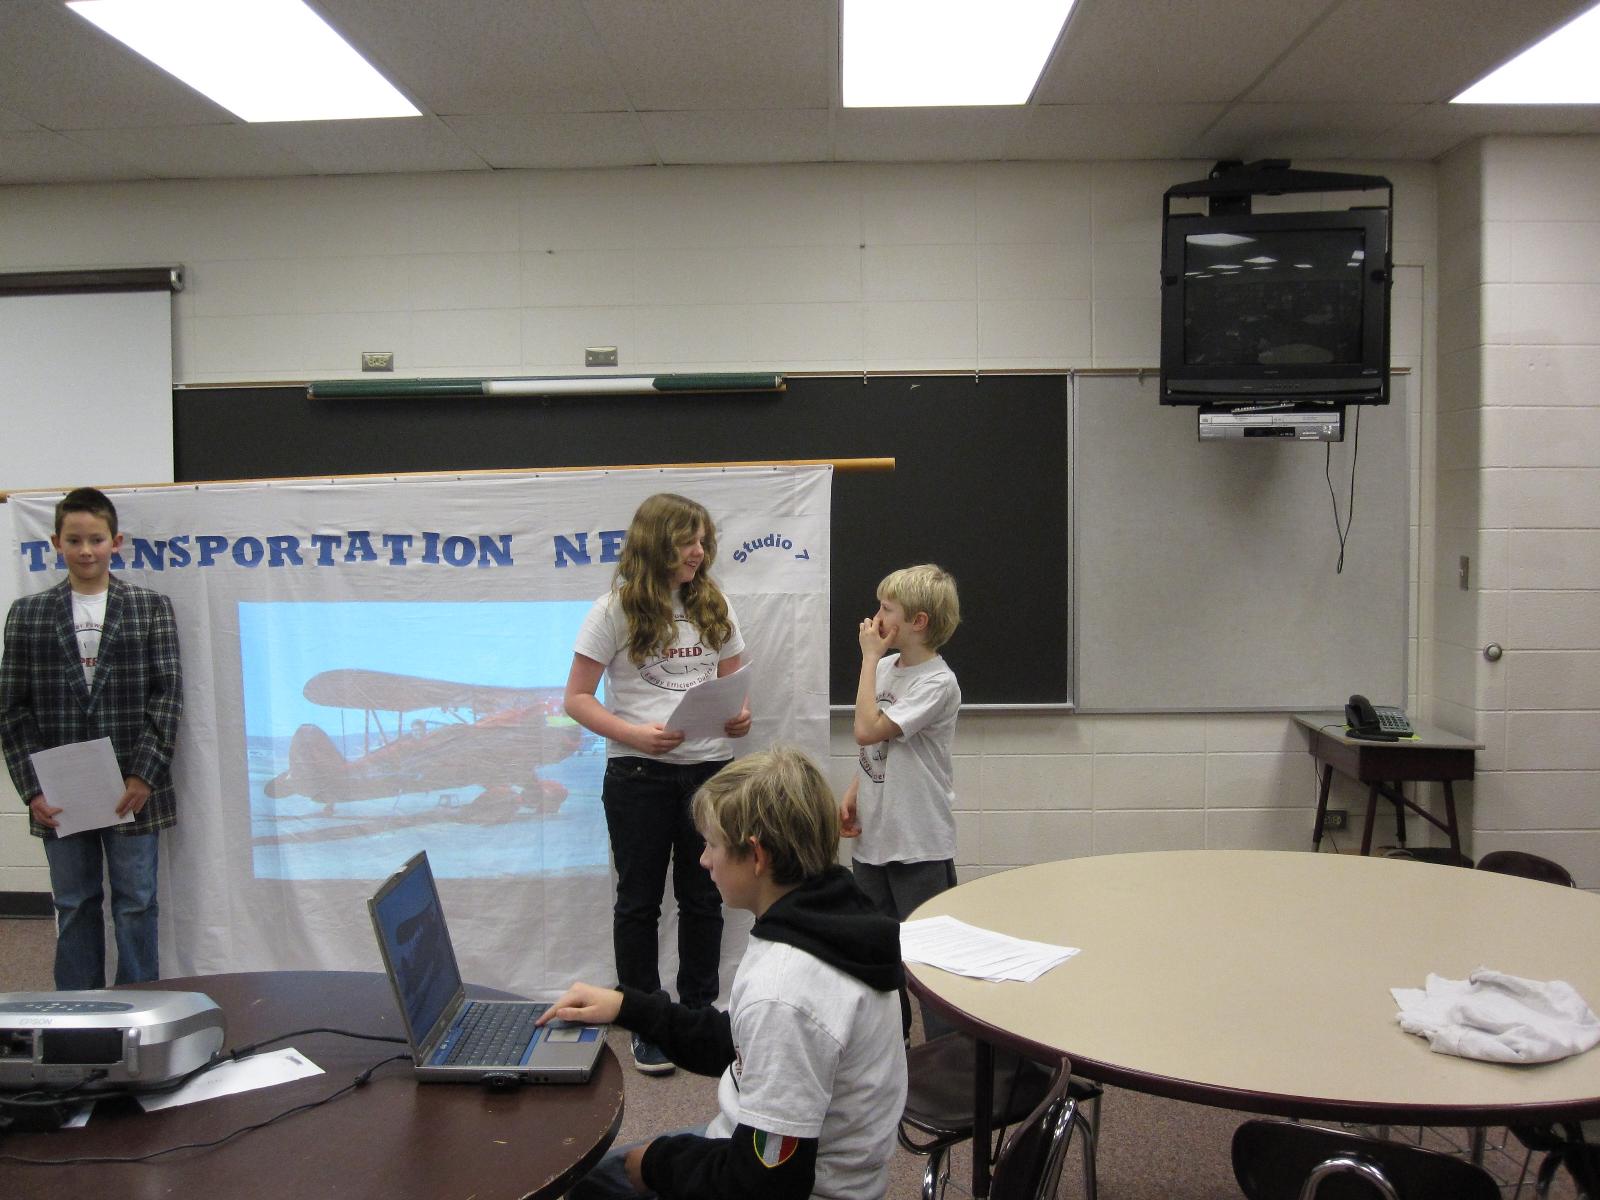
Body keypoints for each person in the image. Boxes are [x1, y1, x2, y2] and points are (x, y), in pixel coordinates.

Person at [537, 745, 907, 1200]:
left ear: (756, 855)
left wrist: (657, 1163)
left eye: (710, 844)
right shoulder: (827, 916)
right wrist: (627, 1006)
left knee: (591, 1183)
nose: (703, 860)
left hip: (797, 1186)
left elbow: (765, 1184)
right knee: (609, 1170)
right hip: (783, 1157)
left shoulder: (785, 992)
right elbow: (738, 1041)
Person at [564, 493, 751, 1075]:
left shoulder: (714, 602)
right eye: (687, 541)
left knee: (704, 898)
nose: (698, 551)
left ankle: (696, 1015)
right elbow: (575, 699)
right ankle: (644, 1018)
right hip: (638, 773)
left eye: (703, 540)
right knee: (639, 901)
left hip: (710, 772)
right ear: (656, 542)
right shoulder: (613, 610)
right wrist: (632, 734)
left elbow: (734, 683)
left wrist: (740, 717)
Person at [0, 487, 183, 990]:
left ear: (115, 542)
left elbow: (167, 696)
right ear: (56, 543)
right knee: (74, 902)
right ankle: (77, 1011)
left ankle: (139, 1003)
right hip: (60, 795)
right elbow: (11, 709)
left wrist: (144, 775)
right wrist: (32, 789)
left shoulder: (150, 608)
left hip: (133, 789)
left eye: (96, 540)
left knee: (136, 903)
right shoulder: (28, 613)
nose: (86, 550)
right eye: (74, 540)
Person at [839, 563, 961, 1037]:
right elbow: (876, 748)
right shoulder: (888, 668)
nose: (876, 618)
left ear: (918, 622)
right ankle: (890, 1047)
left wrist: (868, 660)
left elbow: (866, 728)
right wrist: (855, 792)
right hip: (874, 841)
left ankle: (949, 1057)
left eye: (887, 609)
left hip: (918, 844)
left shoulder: (937, 683)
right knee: (877, 956)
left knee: (928, 960)